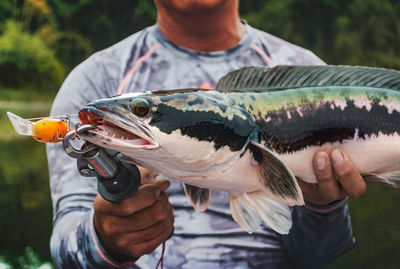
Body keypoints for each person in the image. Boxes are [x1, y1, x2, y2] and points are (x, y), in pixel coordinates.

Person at [47, 0, 367, 268]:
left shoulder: (309, 81)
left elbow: (320, 256)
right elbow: (65, 247)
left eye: (143, 110)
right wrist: (102, 239)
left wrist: (323, 208)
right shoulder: (94, 81)